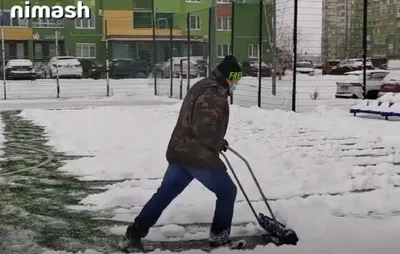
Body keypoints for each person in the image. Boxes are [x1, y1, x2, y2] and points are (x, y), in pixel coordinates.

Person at [119, 55, 243, 251]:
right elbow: (203, 127)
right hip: (197, 156)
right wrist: (217, 141)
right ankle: (219, 239)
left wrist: (218, 141)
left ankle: (133, 234)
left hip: (181, 152)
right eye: (235, 79)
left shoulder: (204, 85)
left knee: (164, 195)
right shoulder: (213, 94)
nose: (236, 83)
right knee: (227, 191)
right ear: (228, 76)